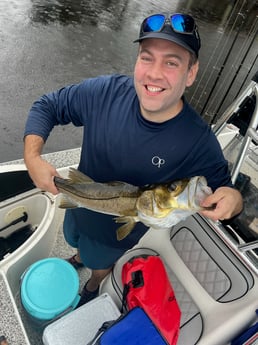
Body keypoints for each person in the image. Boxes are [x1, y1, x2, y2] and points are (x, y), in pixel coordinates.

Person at [23, 12, 243, 307]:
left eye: (172, 62)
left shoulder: (198, 142)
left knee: (98, 263)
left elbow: (226, 192)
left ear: (191, 73)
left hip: (113, 236)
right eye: (147, 57)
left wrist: (232, 198)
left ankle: (93, 285)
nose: (154, 73)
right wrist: (32, 156)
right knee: (75, 241)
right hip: (77, 204)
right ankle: (78, 256)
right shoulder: (104, 92)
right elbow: (47, 106)